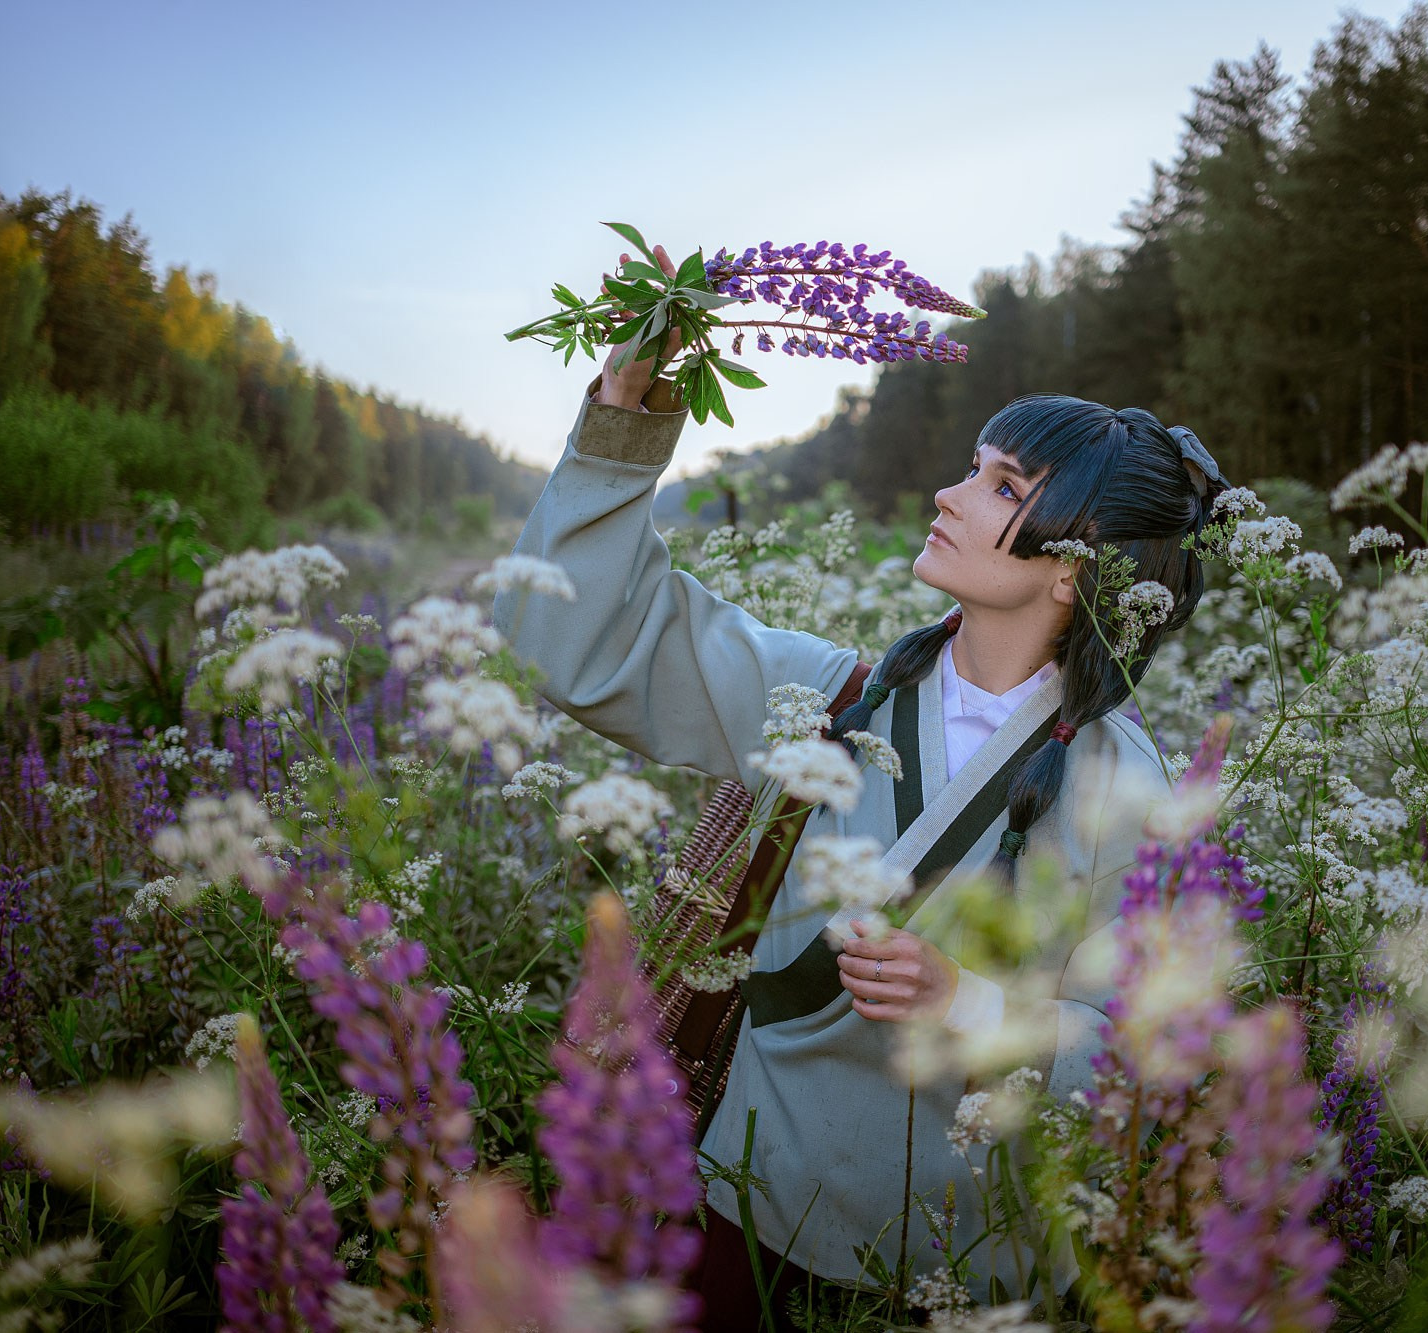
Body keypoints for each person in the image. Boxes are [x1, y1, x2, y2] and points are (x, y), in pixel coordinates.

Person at [492, 245, 1224, 1327]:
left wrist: (964, 1001)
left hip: (965, 1264)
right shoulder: (824, 695)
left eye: (1001, 486)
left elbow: (1148, 1057)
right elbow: (591, 638)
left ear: (1074, 569)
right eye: (973, 467)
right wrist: (621, 423)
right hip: (747, 1209)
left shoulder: (1131, 786)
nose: (948, 494)